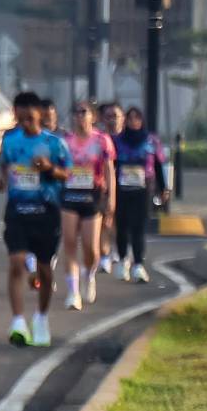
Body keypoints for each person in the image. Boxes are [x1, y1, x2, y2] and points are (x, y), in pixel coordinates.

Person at [0, 90, 71, 347]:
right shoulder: (10, 141)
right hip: (17, 211)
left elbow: (68, 174)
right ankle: (18, 321)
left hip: (46, 212)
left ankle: (41, 318)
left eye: (29, 118)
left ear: (40, 115)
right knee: (16, 262)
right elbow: (4, 166)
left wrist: (49, 168)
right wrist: (1, 180)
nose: (25, 123)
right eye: (21, 118)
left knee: (44, 270)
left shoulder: (54, 143)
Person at [59, 100, 116, 310]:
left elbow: (109, 171)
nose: (80, 116)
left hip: (93, 195)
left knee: (91, 248)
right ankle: (73, 292)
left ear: (93, 116)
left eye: (84, 112)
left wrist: (111, 199)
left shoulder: (102, 140)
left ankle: (89, 274)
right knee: (69, 243)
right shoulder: (65, 141)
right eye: (76, 112)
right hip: (69, 194)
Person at [111, 104, 160, 280]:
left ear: (142, 120)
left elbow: (158, 164)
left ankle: (138, 264)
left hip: (142, 190)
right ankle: (123, 259)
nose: (133, 121)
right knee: (122, 227)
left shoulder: (151, 141)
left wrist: (163, 188)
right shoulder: (116, 141)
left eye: (136, 118)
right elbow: (110, 165)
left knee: (139, 228)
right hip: (121, 190)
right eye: (130, 118)